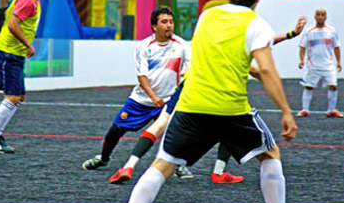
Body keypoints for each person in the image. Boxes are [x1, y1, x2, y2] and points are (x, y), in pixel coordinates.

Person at [102, 0, 314, 203]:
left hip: (192, 106)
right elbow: (265, 70)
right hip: (231, 109)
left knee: (161, 166)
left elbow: (223, 57)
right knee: (271, 154)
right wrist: (287, 112)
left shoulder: (206, 16)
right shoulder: (257, 24)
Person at [108, 16, 307, 185]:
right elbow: (260, 57)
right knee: (233, 124)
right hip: (210, 93)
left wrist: (290, 34)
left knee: (160, 125)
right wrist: (274, 85)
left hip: (186, 87)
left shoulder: (204, 39)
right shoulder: (232, 46)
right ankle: (217, 172)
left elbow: (264, 42)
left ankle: (128, 167)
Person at [82, 6, 191, 176]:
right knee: (116, 130)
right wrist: (153, 97)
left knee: (176, 133)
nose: (169, 25)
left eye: (171, 22)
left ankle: (180, 166)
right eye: (164, 22)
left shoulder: (182, 46)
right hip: (141, 100)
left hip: (168, 101)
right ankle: (103, 158)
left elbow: (188, 69)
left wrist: (186, 74)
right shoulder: (144, 46)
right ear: (154, 26)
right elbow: (142, 76)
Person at [0, 0, 50, 154]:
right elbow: (12, 24)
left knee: (18, 96)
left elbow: (9, 18)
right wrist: (28, 45)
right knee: (12, 96)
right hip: (7, 54)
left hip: (13, 54)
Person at [296, 8, 343, 118]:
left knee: (333, 86)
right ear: (315, 16)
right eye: (318, 14)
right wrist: (302, 60)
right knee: (308, 86)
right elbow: (302, 47)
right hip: (313, 66)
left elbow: (336, 47)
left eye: (322, 15)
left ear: (326, 17)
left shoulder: (331, 31)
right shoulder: (309, 31)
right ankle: (305, 110)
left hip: (328, 65)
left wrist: (339, 62)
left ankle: (331, 110)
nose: (320, 17)